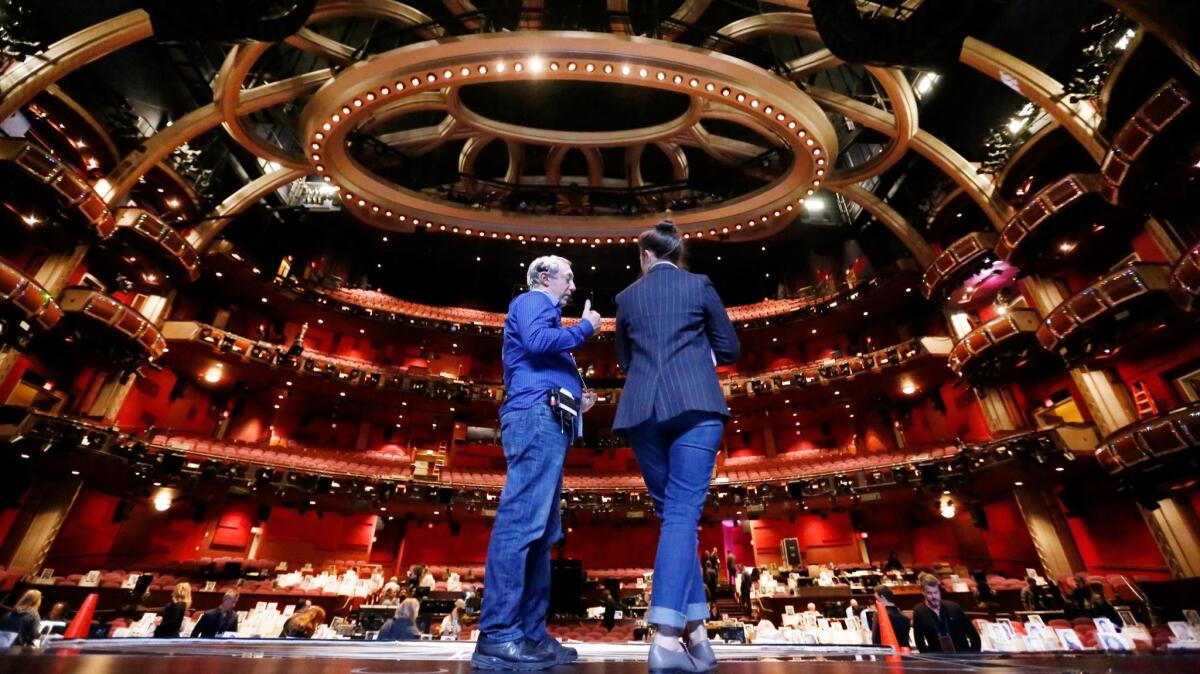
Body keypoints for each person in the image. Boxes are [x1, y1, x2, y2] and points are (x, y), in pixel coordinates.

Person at [614, 220, 740, 674]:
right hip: (694, 404)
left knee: (674, 517)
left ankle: (699, 636)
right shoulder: (699, 284)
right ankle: (667, 640)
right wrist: (696, 354)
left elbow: (624, 360)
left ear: (644, 257)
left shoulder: (626, 297)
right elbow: (729, 348)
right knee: (682, 515)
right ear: (677, 253)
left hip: (642, 411)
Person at [473, 255, 601, 671]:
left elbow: (543, 361)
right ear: (544, 277)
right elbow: (537, 343)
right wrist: (584, 329)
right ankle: (499, 635)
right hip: (534, 417)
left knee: (544, 531)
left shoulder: (548, 317)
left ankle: (529, 632)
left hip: (549, 419)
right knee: (521, 522)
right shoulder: (532, 303)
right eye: (569, 277)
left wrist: (577, 401)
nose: (573, 285)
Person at [911, 573, 979, 653]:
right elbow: (919, 642)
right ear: (923, 592)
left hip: (963, 656)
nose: (934, 597)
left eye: (936, 592)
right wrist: (930, 660)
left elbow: (973, 635)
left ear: (939, 591)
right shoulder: (919, 611)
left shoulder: (954, 608)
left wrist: (974, 656)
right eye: (929, 593)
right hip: (938, 659)